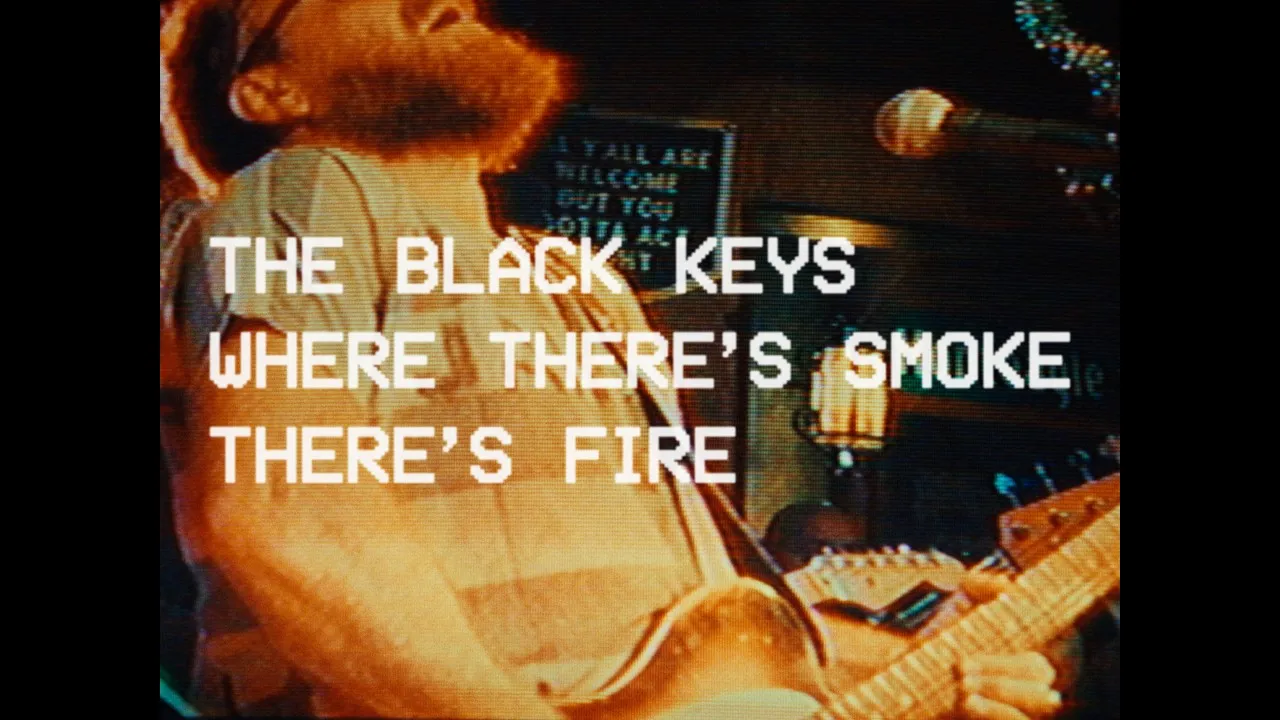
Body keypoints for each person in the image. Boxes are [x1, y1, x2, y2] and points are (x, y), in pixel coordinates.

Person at [159, 1, 1070, 717]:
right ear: (267, 89)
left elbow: (691, 634)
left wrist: (927, 668)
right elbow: (291, 516)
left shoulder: (583, 285)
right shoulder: (307, 187)